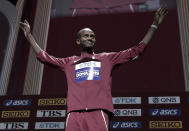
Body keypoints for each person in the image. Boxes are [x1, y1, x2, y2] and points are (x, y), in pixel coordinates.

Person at [20, 6, 168, 131]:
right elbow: (44, 57)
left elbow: (137, 50)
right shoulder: (69, 62)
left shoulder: (106, 58)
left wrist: (154, 25)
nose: (90, 38)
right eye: (86, 36)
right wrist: (29, 36)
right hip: (74, 115)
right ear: (78, 41)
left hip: (98, 114)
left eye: (92, 36)